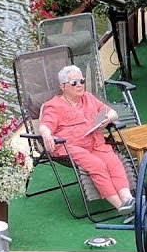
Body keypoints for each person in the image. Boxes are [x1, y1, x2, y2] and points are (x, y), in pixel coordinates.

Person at [37, 65, 135, 213]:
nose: (80, 85)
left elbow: (112, 113)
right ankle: (120, 206)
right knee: (97, 165)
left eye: (81, 80)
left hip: (95, 143)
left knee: (114, 162)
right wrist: (45, 134)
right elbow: (45, 125)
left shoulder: (88, 98)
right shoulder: (54, 105)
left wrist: (107, 119)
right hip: (70, 146)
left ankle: (128, 199)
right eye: (74, 82)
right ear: (62, 86)